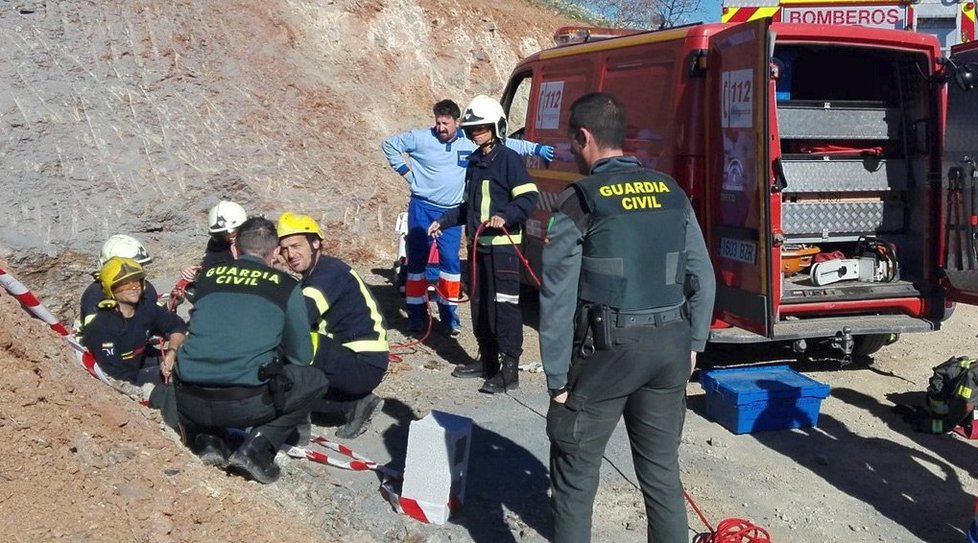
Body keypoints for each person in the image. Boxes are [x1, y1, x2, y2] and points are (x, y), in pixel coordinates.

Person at [539, 92, 716, 542]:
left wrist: (557, 381)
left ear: (584, 137)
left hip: (607, 354)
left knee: (575, 481)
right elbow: (704, 277)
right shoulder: (671, 191)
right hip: (671, 347)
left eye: (573, 143)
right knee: (661, 477)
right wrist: (695, 344)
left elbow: (557, 300)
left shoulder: (580, 199)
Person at [382, 99, 554, 337]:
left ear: (457, 122)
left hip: (453, 212)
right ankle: (416, 316)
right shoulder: (420, 138)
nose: (441, 127)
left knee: (450, 265)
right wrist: (410, 177)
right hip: (422, 208)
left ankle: (450, 316)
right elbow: (389, 145)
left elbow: (505, 142)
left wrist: (535, 149)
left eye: (445, 123)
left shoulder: (469, 139)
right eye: (438, 122)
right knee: (416, 264)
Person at [174, 217, 326, 484]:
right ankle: (257, 448)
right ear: (276, 252)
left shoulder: (207, 277)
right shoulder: (285, 287)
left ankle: (209, 439)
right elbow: (302, 356)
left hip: (188, 399)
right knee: (314, 380)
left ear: (235, 250)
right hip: (245, 404)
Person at [427, 95, 539, 393]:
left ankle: (509, 370)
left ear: (496, 127)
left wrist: (505, 215)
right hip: (478, 248)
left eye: (482, 128)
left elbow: (528, 198)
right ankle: (487, 361)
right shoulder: (475, 162)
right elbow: (469, 207)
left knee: (504, 308)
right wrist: (445, 220)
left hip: (503, 247)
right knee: (479, 306)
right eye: (473, 128)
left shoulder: (509, 160)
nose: (477, 133)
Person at [277, 211, 389, 439]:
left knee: (293, 344)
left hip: (362, 364)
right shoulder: (316, 274)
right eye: (285, 249)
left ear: (315, 243)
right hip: (350, 359)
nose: (290, 254)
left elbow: (301, 316)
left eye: (296, 246)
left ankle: (349, 405)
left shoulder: (329, 272)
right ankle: (353, 405)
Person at [81, 256, 187, 385]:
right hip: (124, 381)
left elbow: (178, 326)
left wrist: (171, 353)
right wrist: (156, 374)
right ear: (111, 288)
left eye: (137, 281)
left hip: (139, 364)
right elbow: (116, 377)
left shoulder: (146, 308)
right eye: (124, 283)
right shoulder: (102, 327)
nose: (133, 287)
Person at [172, 200, 248, 307]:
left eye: (234, 231)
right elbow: (209, 270)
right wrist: (193, 274)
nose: (229, 237)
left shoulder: (259, 241)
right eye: (223, 234)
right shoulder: (216, 245)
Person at [80, 234, 158, 332]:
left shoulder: (146, 287)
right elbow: (96, 332)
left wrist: (171, 303)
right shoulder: (95, 294)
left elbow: (159, 317)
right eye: (131, 268)